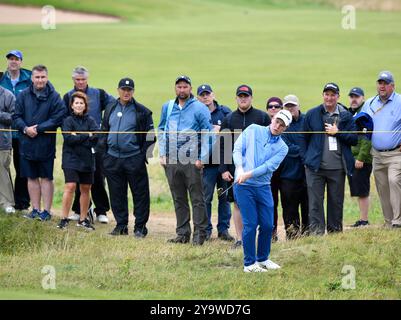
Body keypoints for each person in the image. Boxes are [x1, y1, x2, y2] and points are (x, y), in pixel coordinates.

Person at [233, 109, 292, 272]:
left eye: (282, 125)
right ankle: (249, 264)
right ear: (272, 119)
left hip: (263, 186)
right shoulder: (253, 129)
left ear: (285, 129)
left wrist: (248, 174)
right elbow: (237, 149)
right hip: (244, 187)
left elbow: (268, 167)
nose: (277, 126)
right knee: (250, 224)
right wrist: (239, 168)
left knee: (267, 224)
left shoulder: (282, 148)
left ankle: (263, 258)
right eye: (277, 121)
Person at [158, 75, 213, 245]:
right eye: (179, 87)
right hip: (172, 160)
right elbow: (161, 129)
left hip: (192, 159)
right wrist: (162, 153)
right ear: (175, 88)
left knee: (197, 198)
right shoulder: (168, 107)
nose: (182, 90)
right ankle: (182, 234)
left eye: (185, 87)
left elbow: (208, 134)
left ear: (190, 88)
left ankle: (200, 234)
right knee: (178, 197)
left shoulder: (199, 108)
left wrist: (202, 158)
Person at [99, 77, 155, 237]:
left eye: (129, 90)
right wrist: (104, 154)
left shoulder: (142, 111)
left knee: (140, 194)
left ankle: (140, 227)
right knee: (116, 193)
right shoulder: (109, 108)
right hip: (112, 158)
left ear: (133, 92)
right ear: (118, 90)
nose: (126, 92)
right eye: (123, 89)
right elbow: (103, 132)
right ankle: (121, 225)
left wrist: (144, 157)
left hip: (133, 158)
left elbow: (151, 136)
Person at [301, 83, 357, 235]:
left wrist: (338, 132)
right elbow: (303, 138)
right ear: (323, 95)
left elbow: (354, 139)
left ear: (338, 96)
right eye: (327, 94)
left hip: (338, 168)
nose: (329, 98)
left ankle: (335, 234)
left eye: (333, 95)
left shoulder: (345, 115)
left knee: (336, 203)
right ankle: (317, 234)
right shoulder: (312, 114)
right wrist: (307, 159)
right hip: (315, 169)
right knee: (315, 204)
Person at [219, 85, 270, 249]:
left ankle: (259, 238)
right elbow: (222, 146)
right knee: (237, 204)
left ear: (251, 98)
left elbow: (270, 143)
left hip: (257, 169)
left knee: (259, 202)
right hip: (235, 169)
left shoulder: (262, 117)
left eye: (246, 96)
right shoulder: (228, 119)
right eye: (240, 96)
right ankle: (240, 239)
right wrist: (224, 169)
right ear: (236, 98)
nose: (243, 99)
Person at [13, 64, 67, 221]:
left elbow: (59, 116)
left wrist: (40, 128)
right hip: (26, 143)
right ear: (32, 78)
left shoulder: (54, 96)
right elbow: (16, 116)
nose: (40, 80)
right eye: (37, 77)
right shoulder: (23, 95)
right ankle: (35, 209)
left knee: (46, 178)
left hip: (45, 145)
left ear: (47, 77)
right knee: (31, 178)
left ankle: (47, 211)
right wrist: (25, 128)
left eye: (43, 77)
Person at [63, 66, 114, 224]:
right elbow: (64, 118)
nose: (80, 82)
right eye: (77, 79)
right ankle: (79, 211)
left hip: (95, 143)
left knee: (97, 177)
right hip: (75, 148)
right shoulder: (67, 96)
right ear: (73, 80)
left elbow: (114, 104)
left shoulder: (99, 93)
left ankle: (101, 210)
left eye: (83, 79)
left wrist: (103, 126)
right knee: (77, 179)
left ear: (87, 79)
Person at [362, 71, 401, 228]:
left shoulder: (400, 101)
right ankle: (388, 221)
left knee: (394, 180)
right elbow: (359, 122)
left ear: (393, 86)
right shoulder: (370, 103)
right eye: (380, 83)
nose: (382, 86)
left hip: (396, 154)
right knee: (382, 187)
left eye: (385, 83)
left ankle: (398, 221)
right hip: (377, 155)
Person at [196, 84, 234, 241]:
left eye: (207, 94)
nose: (205, 97)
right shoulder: (197, 113)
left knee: (223, 196)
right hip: (207, 165)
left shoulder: (224, 112)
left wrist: (221, 129)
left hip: (223, 164)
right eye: (202, 95)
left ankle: (223, 229)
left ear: (213, 94)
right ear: (198, 97)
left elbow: (232, 132)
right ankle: (206, 230)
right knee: (206, 198)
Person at [58, 92, 98, 230]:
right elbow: (69, 139)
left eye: (82, 103)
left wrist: (79, 135)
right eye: (76, 103)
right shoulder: (67, 121)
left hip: (87, 159)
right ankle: (64, 218)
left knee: (86, 188)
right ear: (72, 105)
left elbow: (96, 137)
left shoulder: (91, 121)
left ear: (85, 105)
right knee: (70, 187)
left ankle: (83, 219)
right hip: (71, 158)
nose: (79, 105)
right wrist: (87, 135)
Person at [0, 50, 32, 211]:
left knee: (22, 168)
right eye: (10, 59)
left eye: (16, 59)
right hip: (4, 133)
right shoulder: (1, 78)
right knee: (3, 168)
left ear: (21, 61)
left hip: (21, 132)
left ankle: (22, 202)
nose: (13, 62)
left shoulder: (28, 79)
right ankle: (6, 201)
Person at [280, 94, 309, 239]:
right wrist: (304, 150)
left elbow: (312, 142)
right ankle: (293, 237)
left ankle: (308, 235)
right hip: (288, 175)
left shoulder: (306, 121)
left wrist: (303, 149)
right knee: (289, 209)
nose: (290, 108)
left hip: (307, 173)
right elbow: (286, 148)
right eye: (287, 106)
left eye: (293, 105)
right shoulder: (281, 124)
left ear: (298, 106)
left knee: (308, 207)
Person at [347, 87, 372, 227]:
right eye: (351, 96)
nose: (354, 99)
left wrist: (361, 157)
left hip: (362, 159)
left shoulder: (364, 114)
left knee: (362, 190)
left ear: (363, 97)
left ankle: (364, 220)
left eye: (356, 96)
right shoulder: (352, 113)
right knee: (358, 188)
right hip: (354, 157)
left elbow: (367, 138)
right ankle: (362, 219)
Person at [265, 97, 284, 242]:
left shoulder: (284, 126)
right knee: (271, 203)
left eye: (276, 106)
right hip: (269, 172)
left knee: (287, 202)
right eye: (270, 106)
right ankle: (271, 233)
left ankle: (292, 232)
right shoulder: (264, 125)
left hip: (285, 171)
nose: (273, 108)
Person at [0, 85, 16, 213]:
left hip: (2, 142)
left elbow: (14, 117)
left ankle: (7, 203)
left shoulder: (7, 95)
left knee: (2, 172)